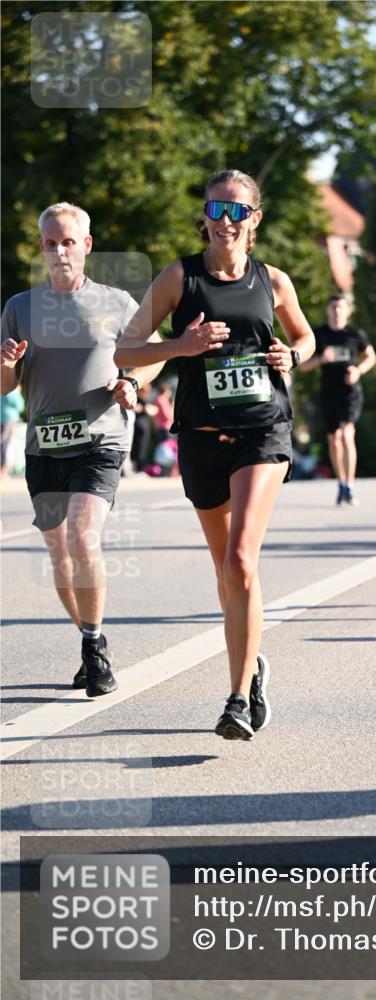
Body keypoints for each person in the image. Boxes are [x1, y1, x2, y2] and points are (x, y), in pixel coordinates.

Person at [114, 168, 315, 740]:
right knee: (225, 572)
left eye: (238, 211)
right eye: (217, 209)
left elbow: (306, 336)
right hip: (201, 435)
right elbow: (128, 349)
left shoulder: (273, 281)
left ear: (254, 220)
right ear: (204, 215)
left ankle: (236, 698)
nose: (226, 221)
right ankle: (253, 666)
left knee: (242, 561)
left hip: (263, 431)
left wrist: (292, 358)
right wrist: (181, 347)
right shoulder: (180, 277)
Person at [0, 202, 163, 695]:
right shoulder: (19, 308)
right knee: (59, 552)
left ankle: (93, 650)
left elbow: (152, 354)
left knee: (82, 537)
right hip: (44, 445)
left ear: (86, 245)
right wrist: (7, 361)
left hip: (101, 440)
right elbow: (5, 387)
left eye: (68, 241)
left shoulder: (116, 303)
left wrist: (132, 380)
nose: (59, 251)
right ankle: (89, 635)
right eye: (50, 243)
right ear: (42, 247)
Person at [300, 294, 376, 505]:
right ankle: (341, 484)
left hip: (350, 392)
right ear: (327, 310)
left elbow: (371, 356)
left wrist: (358, 370)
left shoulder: (354, 334)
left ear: (347, 310)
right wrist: (320, 359)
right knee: (334, 440)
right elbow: (303, 366)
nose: (336, 311)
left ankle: (350, 485)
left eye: (340, 307)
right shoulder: (319, 335)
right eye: (333, 307)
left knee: (346, 434)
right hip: (328, 392)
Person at [0, 385, 24, 478]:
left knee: (3, 444)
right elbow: (20, 405)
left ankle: (2, 470)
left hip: (2, 418)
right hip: (9, 420)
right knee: (6, 445)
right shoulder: (10, 389)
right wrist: (17, 392)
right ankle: (3, 470)